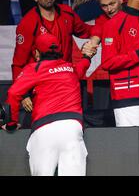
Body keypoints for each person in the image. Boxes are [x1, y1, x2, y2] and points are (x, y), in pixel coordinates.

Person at [3, 33, 96, 176]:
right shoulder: (69, 68)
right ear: (59, 50)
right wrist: (87, 57)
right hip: (72, 129)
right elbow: (81, 68)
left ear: (36, 53)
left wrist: (11, 123)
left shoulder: (34, 68)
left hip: (44, 130)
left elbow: (13, 94)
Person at [12, 0, 92, 82]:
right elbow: (19, 63)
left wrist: (107, 28)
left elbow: (86, 31)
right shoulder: (27, 23)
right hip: (41, 80)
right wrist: (23, 94)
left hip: (65, 76)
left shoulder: (67, 13)